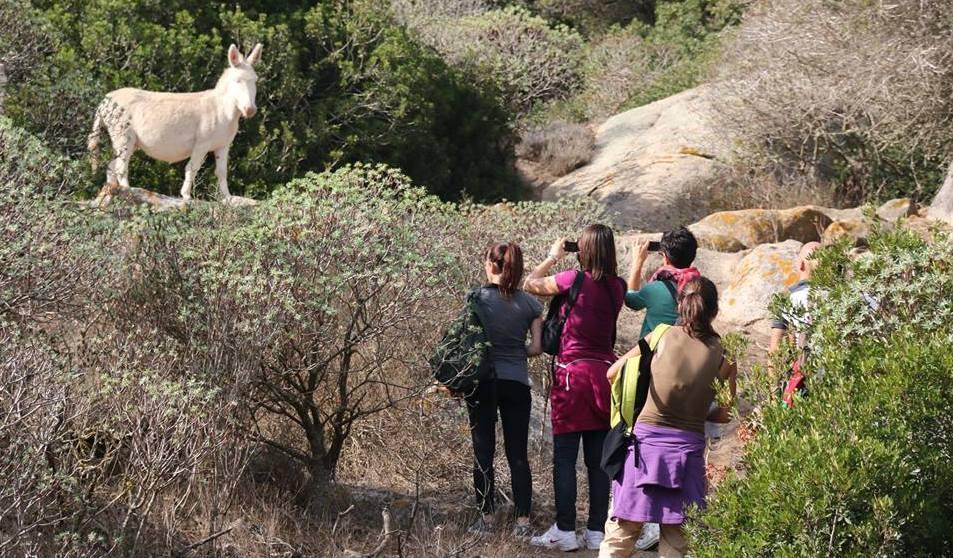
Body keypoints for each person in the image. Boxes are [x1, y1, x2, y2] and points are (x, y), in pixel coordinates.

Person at [599, 277, 736, 558]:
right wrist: (700, 409)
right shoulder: (725, 356)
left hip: (643, 449)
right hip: (687, 456)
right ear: (714, 311)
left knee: (620, 537)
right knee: (677, 542)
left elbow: (613, 373)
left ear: (680, 304)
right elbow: (726, 414)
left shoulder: (660, 335)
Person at [523, 224, 626, 552]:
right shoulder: (619, 287)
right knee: (597, 461)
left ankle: (565, 529)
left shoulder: (572, 279)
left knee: (565, 458)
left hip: (573, 377)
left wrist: (553, 256)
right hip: (604, 377)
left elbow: (530, 283)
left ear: (584, 250)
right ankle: (596, 531)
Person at [623, 226, 700, 550]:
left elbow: (630, 299)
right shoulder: (697, 288)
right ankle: (668, 524)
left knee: (644, 445)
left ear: (664, 255)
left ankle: (643, 519)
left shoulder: (657, 288)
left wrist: (637, 261)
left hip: (652, 371)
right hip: (687, 372)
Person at [466, 242, 544, 538]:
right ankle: (522, 523)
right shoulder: (531, 305)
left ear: (491, 265)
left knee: (483, 451)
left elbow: (468, 343)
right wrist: (514, 351)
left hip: (484, 381)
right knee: (518, 454)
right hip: (516, 383)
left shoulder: (476, 298)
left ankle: (486, 519)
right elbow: (536, 348)